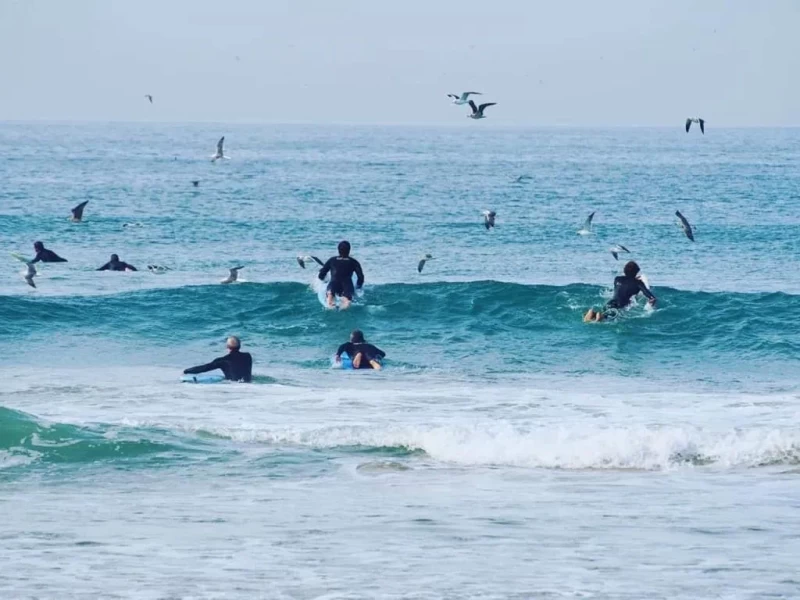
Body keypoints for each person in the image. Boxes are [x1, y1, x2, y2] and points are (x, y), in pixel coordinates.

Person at [584, 260, 657, 322]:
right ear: (636, 272)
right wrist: (651, 303)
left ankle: (593, 313)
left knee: (606, 311)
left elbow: (625, 283)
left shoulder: (617, 279)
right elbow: (651, 297)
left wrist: (633, 279)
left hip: (610, 302)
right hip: (620, 304)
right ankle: (600, 316)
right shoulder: (638, 283)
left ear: (624, 270)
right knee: (606, 318)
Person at [318, 240, 364, 309]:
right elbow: (360, 277)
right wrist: (358, 288)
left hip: (333, 284)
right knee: (346, 300)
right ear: (349, 250)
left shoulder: (332, 260)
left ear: (338, 250)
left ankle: (330, 303)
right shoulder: (354, 262)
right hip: (347, 285)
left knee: (330, 295)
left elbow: (321, 275)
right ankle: (345, 305)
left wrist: (324, 280)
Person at [183, 336, 253, 382]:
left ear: (227, 346)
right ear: (240, 346)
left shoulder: (223, 360)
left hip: (234, 387)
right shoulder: (248, 356)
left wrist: (186, 371)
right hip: (249, 386)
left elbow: (205, 368)